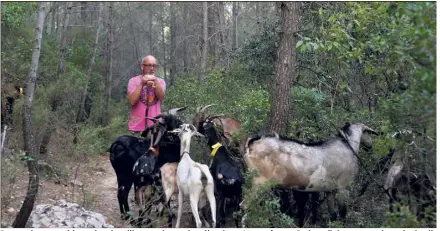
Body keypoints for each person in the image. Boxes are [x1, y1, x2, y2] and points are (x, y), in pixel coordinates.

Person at [127, 55, 166, 134]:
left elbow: (161, 98)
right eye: (149, 65)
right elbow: (132, 101)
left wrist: (155, 82)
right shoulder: (133, 81)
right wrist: (142, 83)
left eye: (154, 65)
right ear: (142, 66)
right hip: (136, 128)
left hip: (155, 127)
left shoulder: (161, 82)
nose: (152, 68)